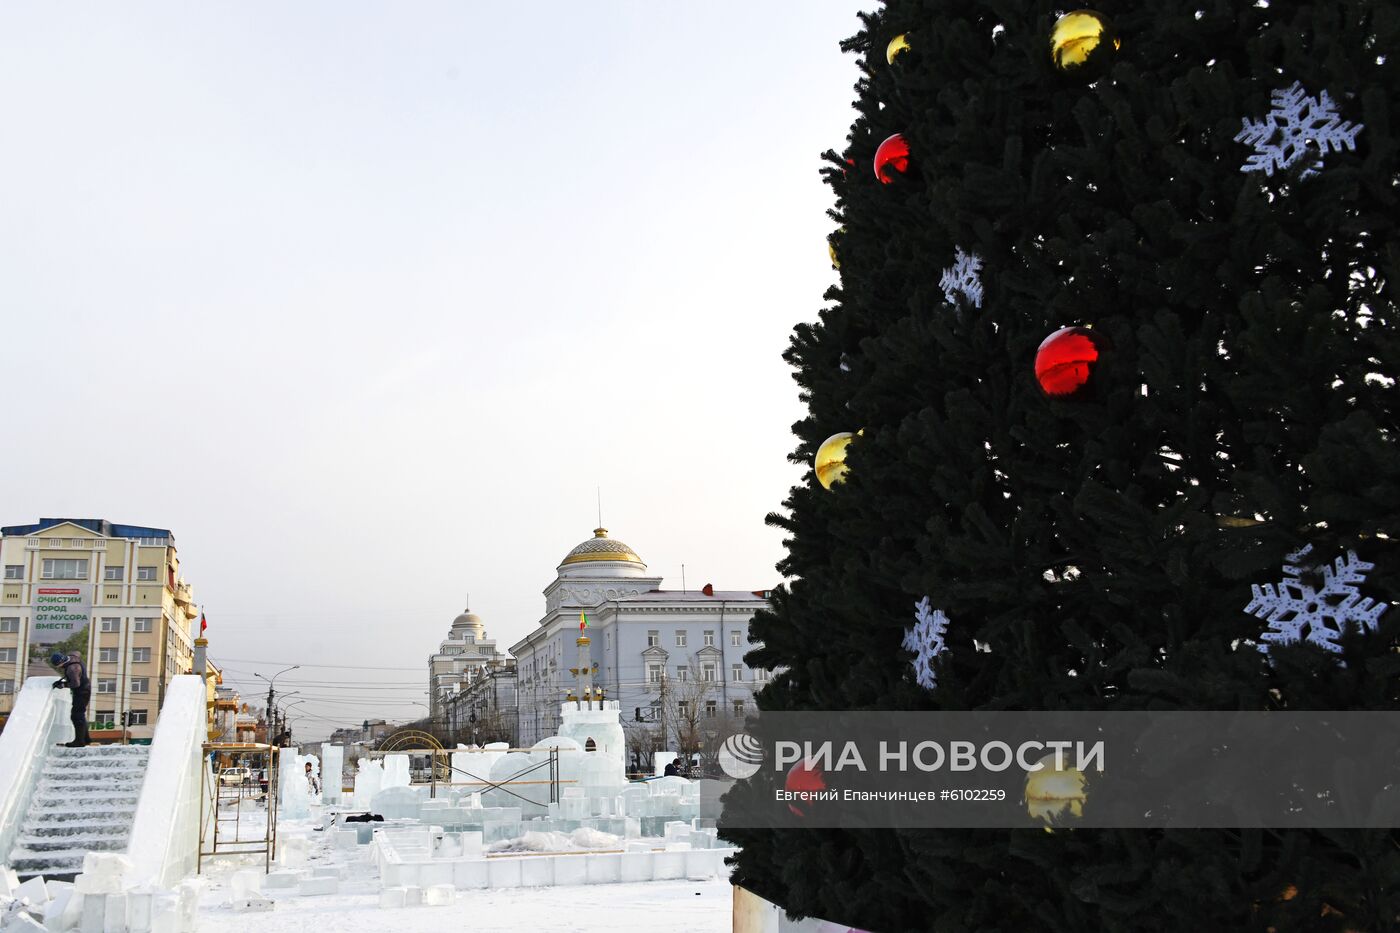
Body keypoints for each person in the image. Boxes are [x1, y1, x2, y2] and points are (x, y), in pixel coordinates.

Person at [50, 651, 91, 747]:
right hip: (86, 688)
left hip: (82, 692)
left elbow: (76, 684)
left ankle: (79, 742)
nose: (59, 668)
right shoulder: (73, 656)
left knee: (76, 716)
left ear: (60, 663)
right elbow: (78, 652)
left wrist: (62, 684)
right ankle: (86, 739)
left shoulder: (72, 669)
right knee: (80, 714)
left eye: (58, 666)